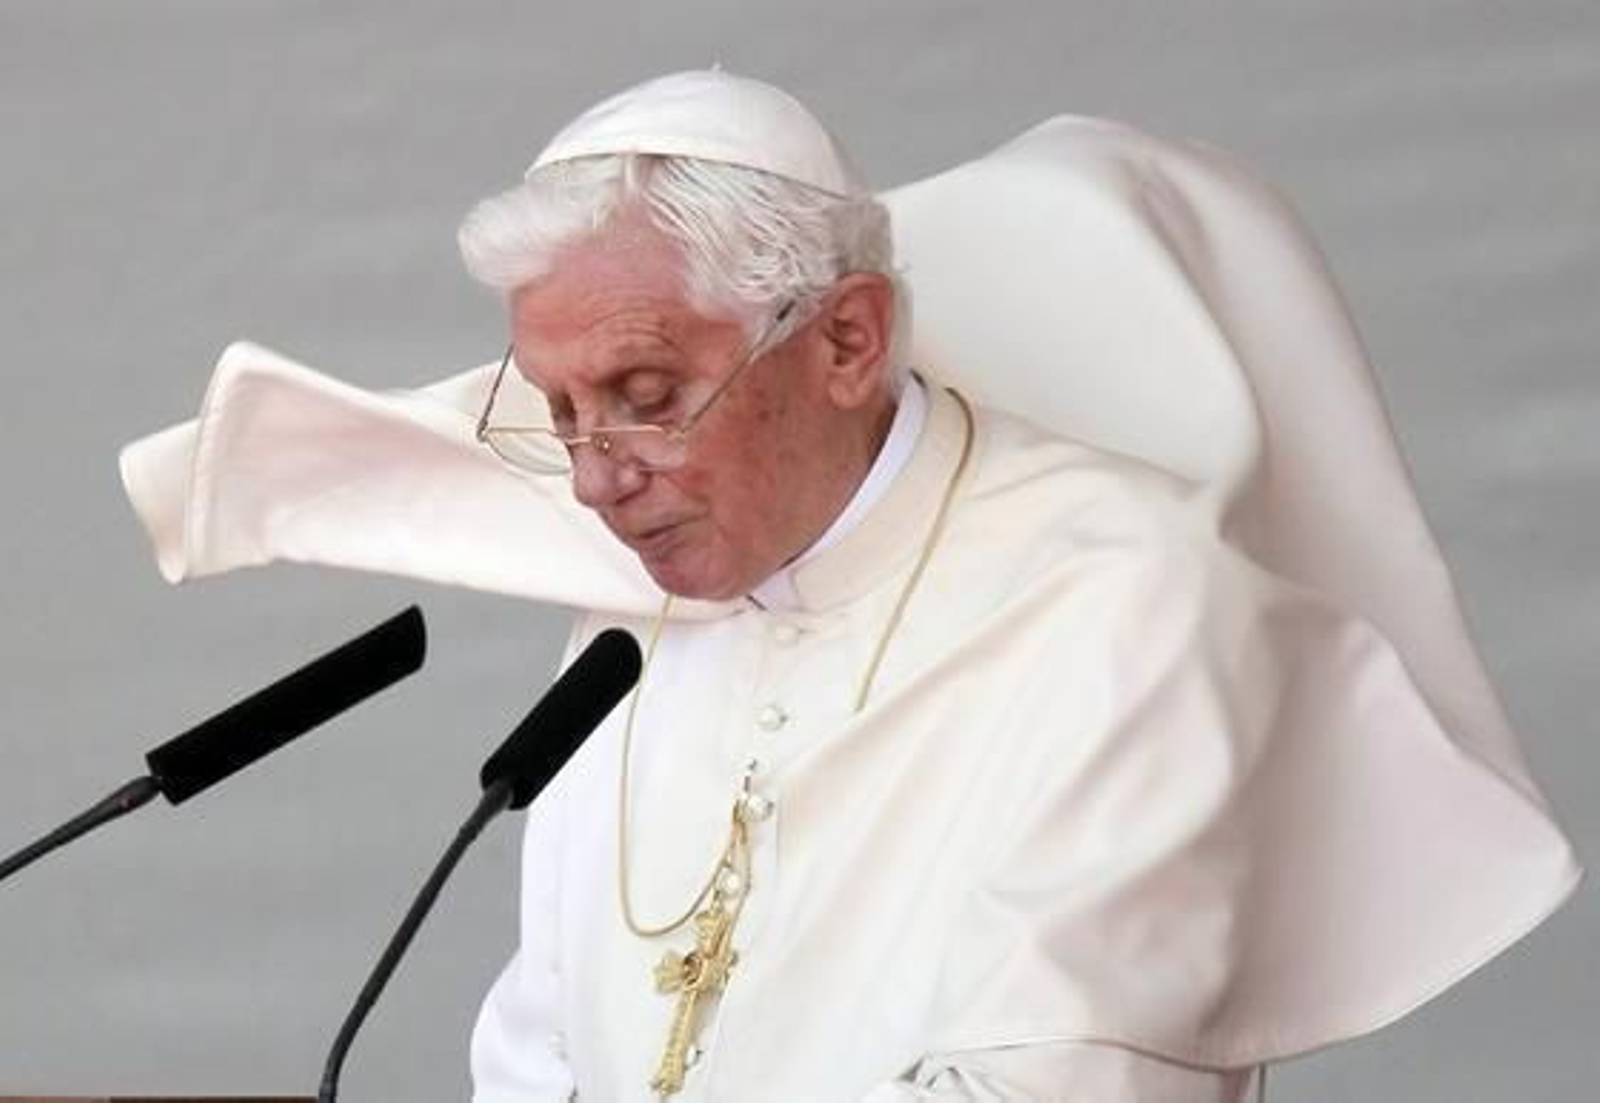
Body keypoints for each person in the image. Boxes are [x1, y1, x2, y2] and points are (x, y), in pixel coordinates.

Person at [121, 71, 1579, 1102]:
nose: (592, 478)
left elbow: (1062, 1086)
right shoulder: (632, 627)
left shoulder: (1127, 599)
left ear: (845, 342)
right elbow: (540, 1044)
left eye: (640, 393)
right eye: (555, 413)